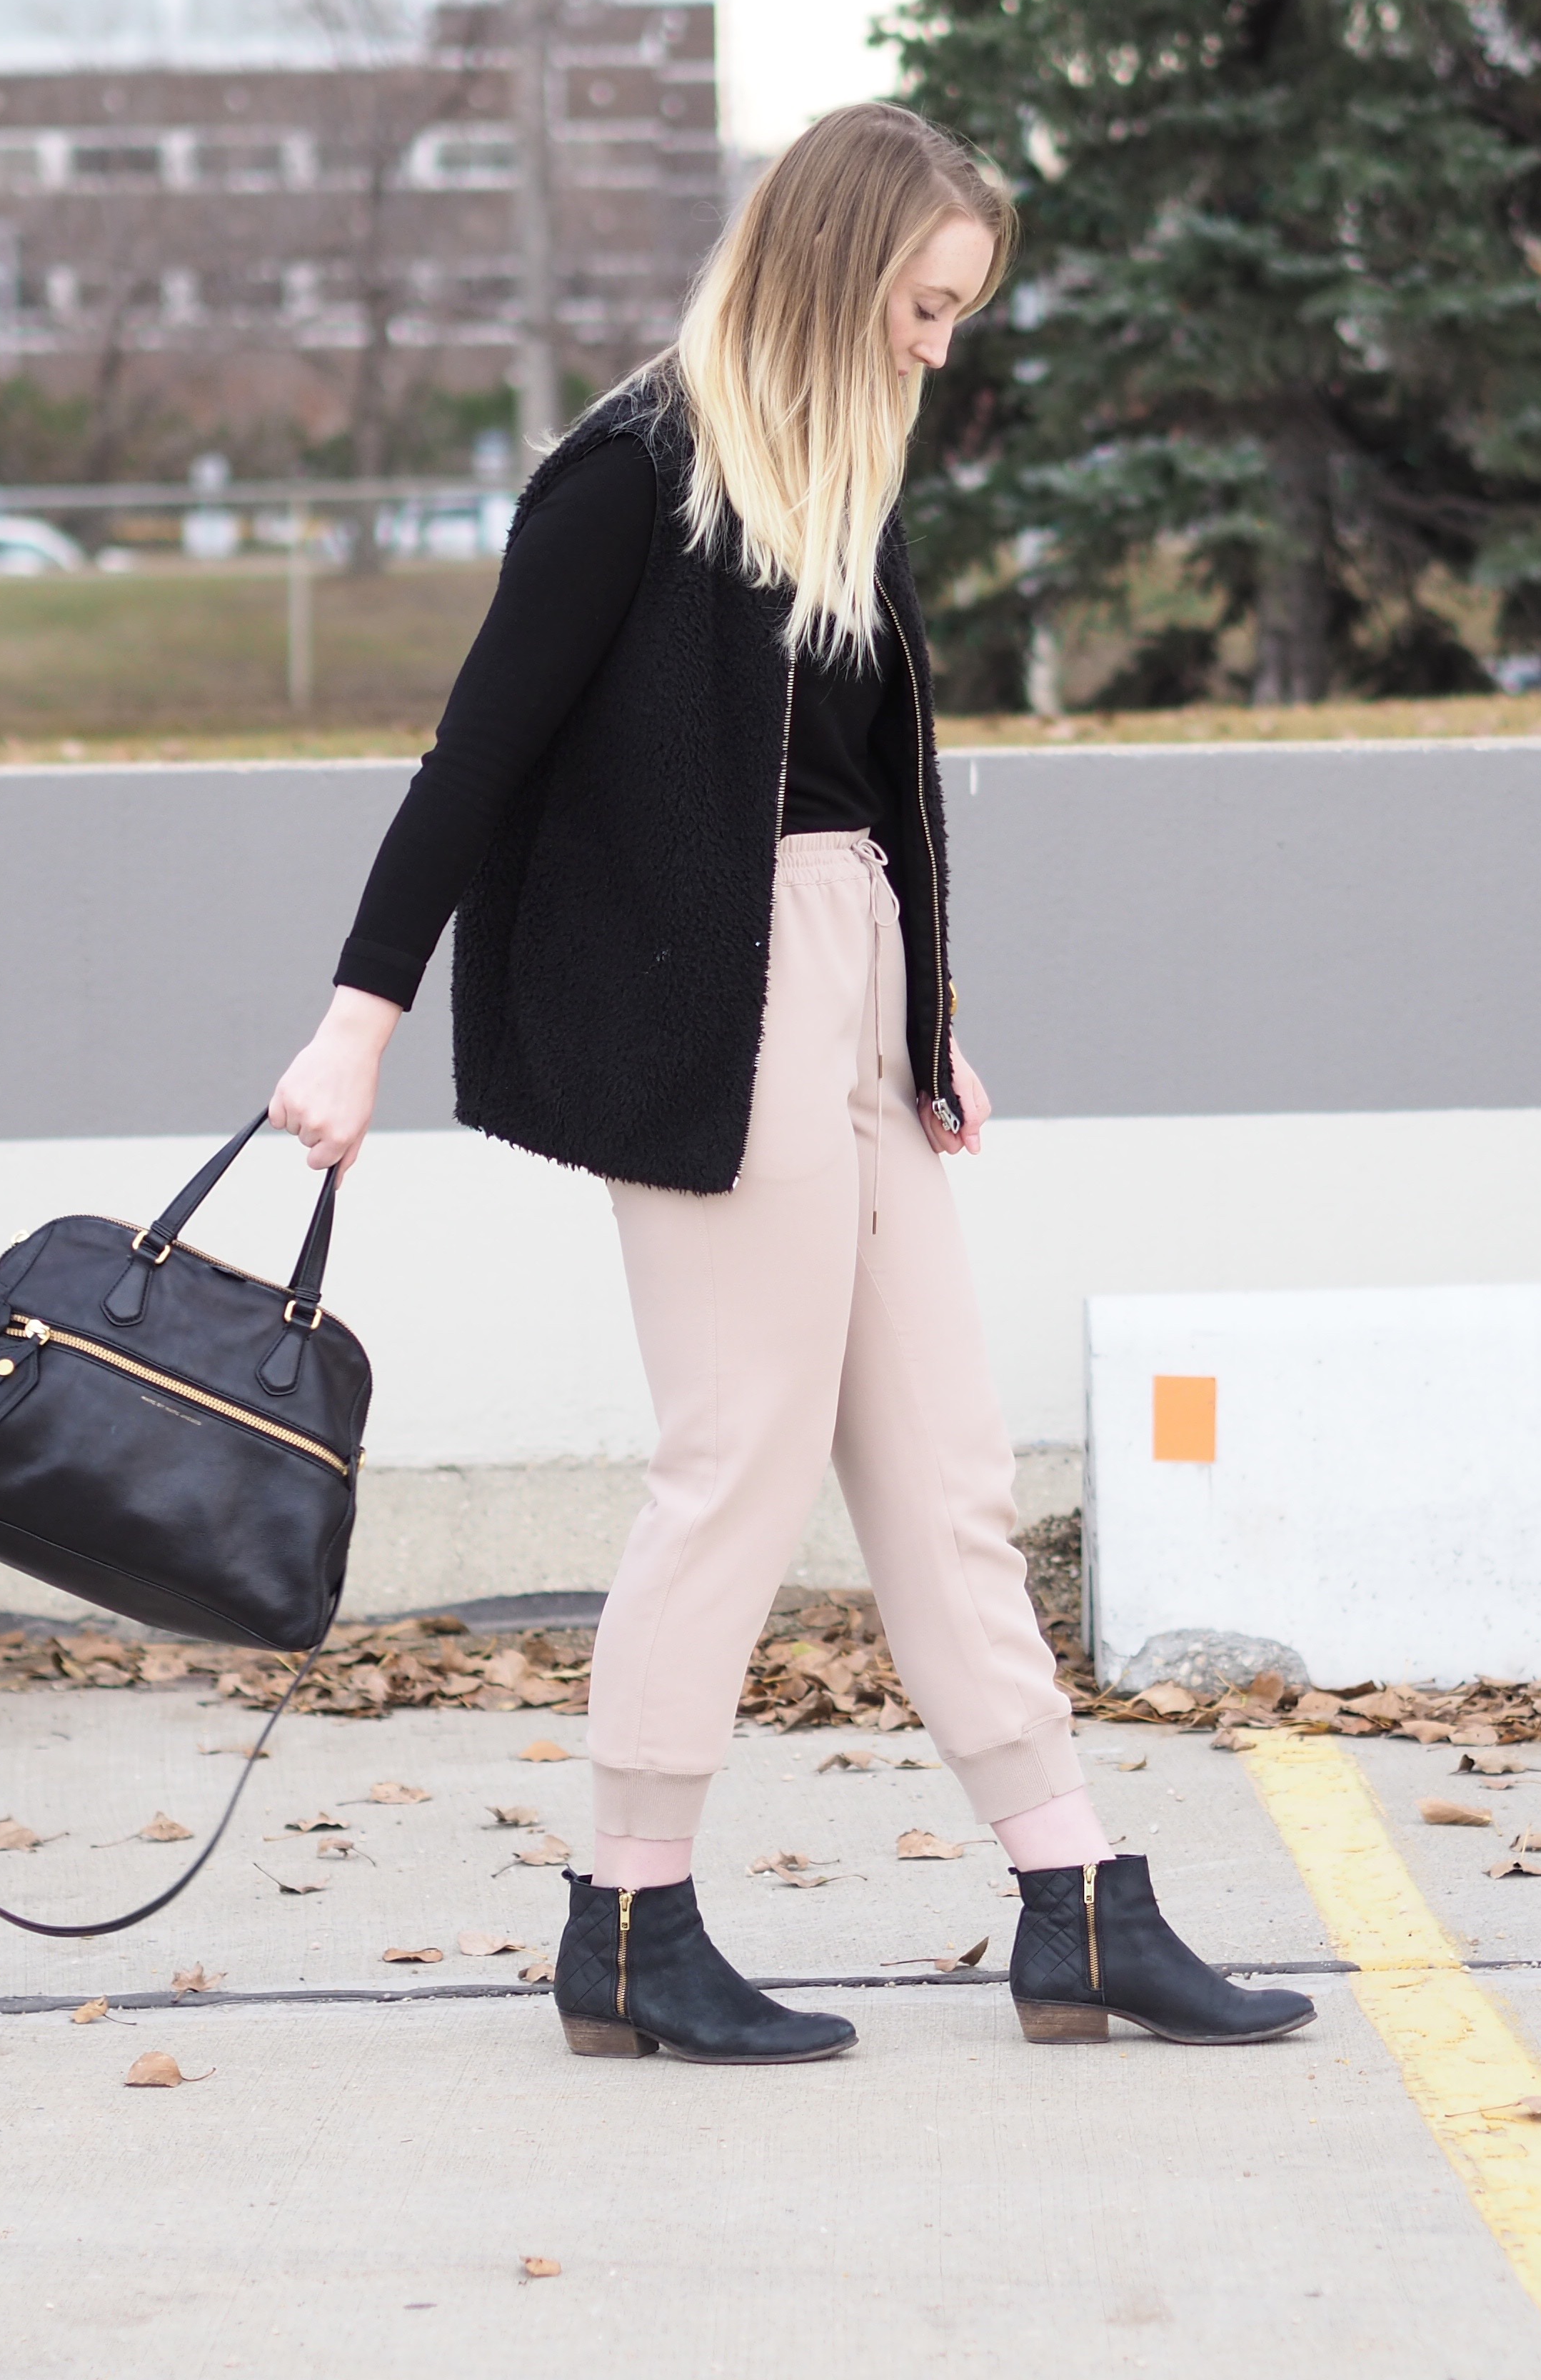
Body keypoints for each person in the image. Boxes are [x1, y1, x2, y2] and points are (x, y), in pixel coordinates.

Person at [267, 103, 1311, 2066]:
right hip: (708, 1012)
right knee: (735, 1462)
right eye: (925, 306)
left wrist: (917, 1021)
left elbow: (847, 797)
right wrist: (359, 1019)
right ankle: (629, 1917)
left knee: (946, 1478)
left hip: (845, 1004)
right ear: (838, 271)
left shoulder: (838, 473)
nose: (941, 347)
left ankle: (1074, 1895)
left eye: (959, 314)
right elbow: (471, 765)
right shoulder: (635, 470)